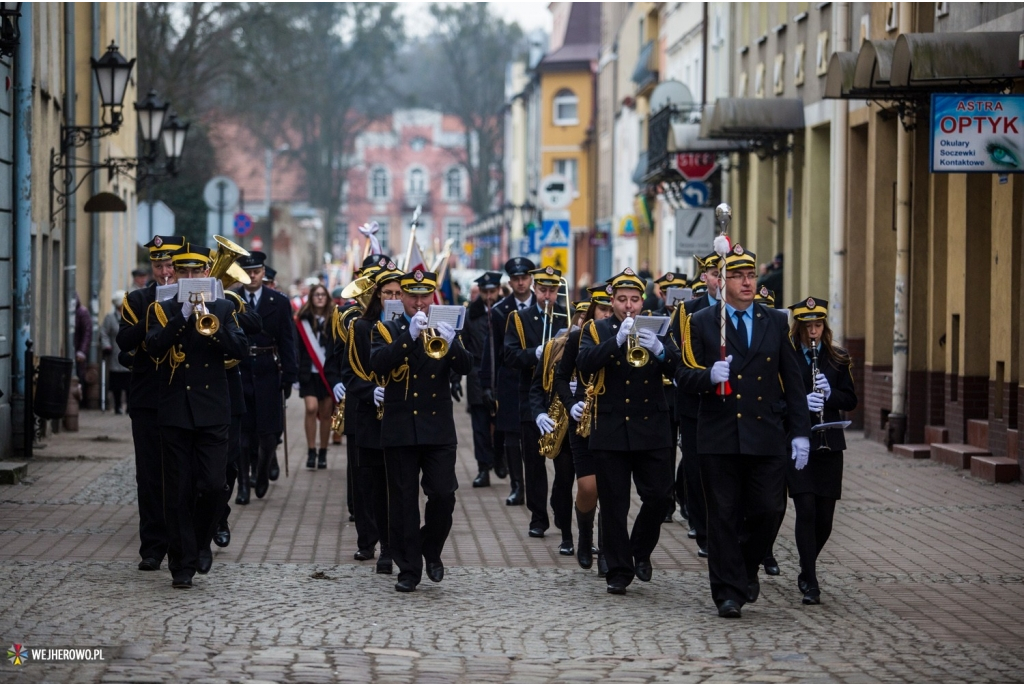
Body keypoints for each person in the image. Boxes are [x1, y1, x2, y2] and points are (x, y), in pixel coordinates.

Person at [676, 244, 811, 619]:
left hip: (765, 432)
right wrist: (708, 376)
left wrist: (800, 431)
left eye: (750, 274)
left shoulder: (775, 320)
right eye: (737, 275)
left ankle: (746, 566)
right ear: (722, 282)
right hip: (719, 434)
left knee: (770, 509)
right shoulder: (702, 322)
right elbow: (682, 375)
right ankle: (728, 592)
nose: (748, 281)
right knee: (722, 516)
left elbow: (793, 379)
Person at [146, 244, 248, 588]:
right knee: (177, 492)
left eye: (196, 273)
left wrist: (212, 324)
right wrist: (183, 318)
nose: (190, 278)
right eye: (183, 273)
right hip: (175, 411)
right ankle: (182, 564)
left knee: (214, 486)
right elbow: (154, 347)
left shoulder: (223, 306)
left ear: (207, 274)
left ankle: (201, 541)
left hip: (212, 411)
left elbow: (239, 349)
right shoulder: (161, 309)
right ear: (174, 274)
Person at [576, 269, 680, 595]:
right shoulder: (595, 328)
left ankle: (639, 549)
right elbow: (584, 363)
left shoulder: (658, 326)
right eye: (622, 300)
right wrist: (616, 341)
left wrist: (661, 351)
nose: (629, 306)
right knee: (614, 503)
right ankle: (618, 570)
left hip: (652, 426)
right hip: (611, 427)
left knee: (660, 497)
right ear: (612, 301)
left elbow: (678, 366)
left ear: (642, 301)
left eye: (634, 299)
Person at [369, 268, 473, 592]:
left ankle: (430, 547)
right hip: (400, 427)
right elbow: (378, 364)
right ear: (401, 296)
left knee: (443, 495)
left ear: (432, 297)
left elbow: (466, 366)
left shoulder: (447, 326)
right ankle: (409, 569)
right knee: (402, 502)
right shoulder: (387, 328)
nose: (418, 302)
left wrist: (453, 343)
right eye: (411, 295)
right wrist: (409, 337)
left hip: (437, 427)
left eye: (424, 296)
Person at [116, 235, 184, 571]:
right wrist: (153, 314)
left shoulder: (193, 299)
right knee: (149, 475)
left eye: (170, 264)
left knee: (180, 474)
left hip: (180, 396)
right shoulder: (137, 299)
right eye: (158, 265)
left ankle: (180, 542)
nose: (164, 271)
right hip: (146, 397)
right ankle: (152, 547)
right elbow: (124, 341)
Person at [786, 297, 857, 605]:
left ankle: (805, 565)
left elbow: (850, 399)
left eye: (818, 326)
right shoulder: (786, 356)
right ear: (798, 328)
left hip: (830, 443)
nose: (813, 332)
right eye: (807, 327)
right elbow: (777, 397)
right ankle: (811, 580)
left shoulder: (837, 357)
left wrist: (831, 394)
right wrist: (801, 401)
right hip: (800, 443)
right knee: (806, 510)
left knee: (825, 518)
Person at [340, 261, 404, 574]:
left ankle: (396, 544)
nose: (393, 299)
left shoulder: (412, 328)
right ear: (377, 296)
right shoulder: (361, 328)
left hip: (404, 417)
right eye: (387, 293)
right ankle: (383, 547)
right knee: (376, 487)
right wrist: (370, 391)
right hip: (371, 416)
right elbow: (351, 373)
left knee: (400, 484)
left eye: (398, 293)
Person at [504, 265, 568, 539]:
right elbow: (509, 356)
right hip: (531, 397)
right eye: (542, 290)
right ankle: (538, 517)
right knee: (534, 461)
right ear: (534, 288)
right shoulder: (519, 318)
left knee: (564, 462)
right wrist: (536, 353)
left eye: (552, 291)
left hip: (562, 397)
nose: (547, 296)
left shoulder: (567, 316)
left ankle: (558, 506)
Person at [555, 285, 613, 572]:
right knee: (588, 486)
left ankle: (606, 549)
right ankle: (585, 534)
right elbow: (561, 377)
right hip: (583, 419)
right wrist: (570, 404)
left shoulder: (627, 336)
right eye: (602, 309)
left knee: (611, 487)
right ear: (592, 312)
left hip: (613, 418)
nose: (606, 315)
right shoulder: (579, 338)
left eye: (610, 310)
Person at [670, 253, 721, 557]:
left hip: (729, 404)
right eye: (715, 273)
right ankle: (701, 530)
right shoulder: (687, 311)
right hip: (694, 403)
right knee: (695, 467)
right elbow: (677, 351)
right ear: (704, 278)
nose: (721, 279)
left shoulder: (744, 310)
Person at [236, 251, 298, 499]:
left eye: (257, 271)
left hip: (267, 370)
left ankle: (262, 471)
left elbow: (287, 340)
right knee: (242, 433)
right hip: (239, 369)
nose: (252, 276)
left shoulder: (278, 302)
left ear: (263, 272)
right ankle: (242, 485)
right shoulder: (231, 299)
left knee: (269, 433)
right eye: (247, 271)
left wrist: (289, 375)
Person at [480, 257, 536, 505]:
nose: (521, 282)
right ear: (510, 281)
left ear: (531, 278)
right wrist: (487, 385)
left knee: (534, 436)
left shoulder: (545, 305)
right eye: (516, 278)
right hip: (510, 380)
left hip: (537, 379)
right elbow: (491, 349)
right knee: (512, 436)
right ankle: (517, 485)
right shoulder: (501, 310)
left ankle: (535, 485)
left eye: (524, 277)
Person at [528, 298, 580, 556]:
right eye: (580, 320)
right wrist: (539, 414)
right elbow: (537, 386)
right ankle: (567, 536)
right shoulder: (555, 348)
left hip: (593, 425)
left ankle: (588, 538)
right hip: (562, 424)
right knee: (563, 481)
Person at [465, 272, 502, 487]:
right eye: (485, 292)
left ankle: (499, 458)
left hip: (500, 375)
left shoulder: (505, 311)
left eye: (492, 292)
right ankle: (483, 468)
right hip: (477, 373)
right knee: (479, 426)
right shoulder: (472, 314)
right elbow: (464, 344)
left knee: (501, 425)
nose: (489, 296)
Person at [295, 283, 337, 469]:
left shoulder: (335, 319)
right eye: (316, 295)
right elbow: (295, 348)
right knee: (311, 409)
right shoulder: (302, 320)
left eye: (323, 294)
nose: (320, 297)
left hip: (327, 374)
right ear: (311, 298)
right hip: (308, 373)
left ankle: (323, 452)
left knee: (326, 413)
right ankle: (311, 450)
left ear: (327, 298)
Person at [100, 291, 131, 415]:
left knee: (130, 384)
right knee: (116, 384)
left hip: (130, 354)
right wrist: (106, 346)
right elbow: (104, 333)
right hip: (115, 355)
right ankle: (117, 406)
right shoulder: (110, 318)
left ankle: (129, 406)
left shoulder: (131, 317)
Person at [74, 295, 92, 385]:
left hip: (78, 352)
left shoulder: (82, 312)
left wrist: (82, 351)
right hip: (73, 349)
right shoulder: (73, 311)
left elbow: (87, 333)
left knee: (79, 376)